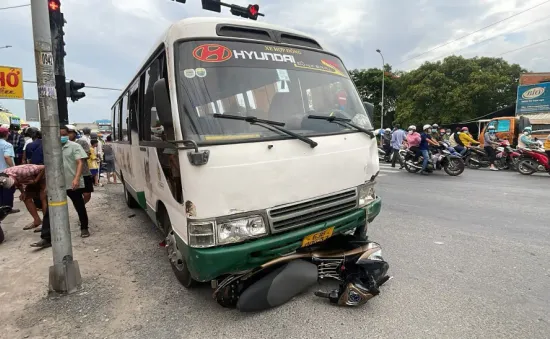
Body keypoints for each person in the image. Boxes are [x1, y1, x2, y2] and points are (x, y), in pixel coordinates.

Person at [0, 164, 47, 230]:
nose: (14, 185)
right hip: (31, 179)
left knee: (43, 198)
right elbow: (17, 183)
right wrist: (23, 192)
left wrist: (36, 180)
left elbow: (44, 167)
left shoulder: (23, 171)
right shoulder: (4, 174)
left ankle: (46, 224)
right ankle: (37, 221)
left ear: (12, 177)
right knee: (26, 197)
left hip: (43, 176)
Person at [67, 125, 94, 204]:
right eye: (66, 133)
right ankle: (80, 207)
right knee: (75, 194)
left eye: (70, 132)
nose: (68, 135)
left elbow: (87, 155)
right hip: (70, 173)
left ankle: (81, 206)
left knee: (87, 194)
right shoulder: (63, 144)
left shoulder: (81, 142)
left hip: (84, 172)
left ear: (75, 133)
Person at [0, 127, 19, 214]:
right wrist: (12, 168)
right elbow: (7, 156)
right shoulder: (7, 145)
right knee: (8, 190)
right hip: (5, 171)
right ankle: (7, 208)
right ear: (6, 134)